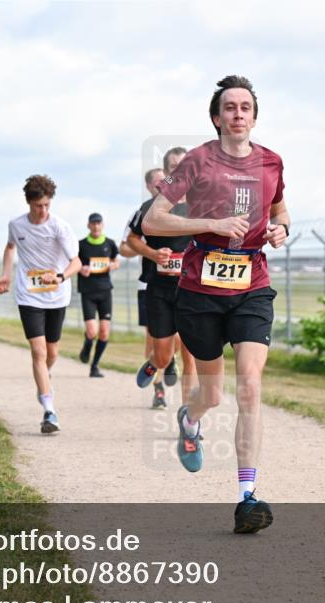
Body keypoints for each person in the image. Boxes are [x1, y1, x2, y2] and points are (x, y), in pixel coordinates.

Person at [142, 75, 290, 534]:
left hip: (252, 283)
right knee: (213, 393)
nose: (238, 114)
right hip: (201, 289)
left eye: (245, 107)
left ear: (254, 116)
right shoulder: (197, 161)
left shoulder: (272, 163)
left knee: (249, 384)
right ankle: (190, 419)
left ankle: (248, 497)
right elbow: (155, 219)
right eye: (230, 108)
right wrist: (212, 221)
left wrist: (281, 229)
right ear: (217, 116)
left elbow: (280, 210)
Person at [0, 175, 81, 434]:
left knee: (52, 353)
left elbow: (76, 262)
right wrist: (7, 275)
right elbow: (10, 248)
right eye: (38, 206)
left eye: (46, 205)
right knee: (39, 353)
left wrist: (59, 276)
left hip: (56, 295)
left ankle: (42, 379)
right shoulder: (16, 225)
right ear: (29, 203)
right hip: (28, 296)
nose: (43, 211)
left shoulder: (59, 227)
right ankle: (49, 410)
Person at [129, 148, 196, 410]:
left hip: (193, 291)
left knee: (191, 357)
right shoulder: (149, 208)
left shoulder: (203, 205)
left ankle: (189, 420)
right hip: (161, 291)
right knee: (165, 354)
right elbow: (132, 240)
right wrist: (153, 253)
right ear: (167, 174)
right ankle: (155, 363)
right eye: (174, 167)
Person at [122, 167, 166, 407]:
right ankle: (158, 389)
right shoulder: (142, 212)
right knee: (153, 340)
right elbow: (125, 247)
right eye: (157, 183)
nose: (162, 185)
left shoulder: (182, 209)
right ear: (149, 186)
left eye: (165, 180)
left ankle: (167, 360)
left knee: (178, 341)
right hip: (149, 283)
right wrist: (147, 249)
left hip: (179, 284)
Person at [76, 213, 120, 378]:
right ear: (88, 225)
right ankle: (87, 345)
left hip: (105, 291)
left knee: (104, 332)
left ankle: (94, 366)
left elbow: (117, 261)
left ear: (103, 225)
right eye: (93, 223)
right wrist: (81, 269)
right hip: (87, 291)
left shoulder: (109, 244)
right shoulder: (81, 245)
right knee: (92, 331)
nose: (96, 226)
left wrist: (113, 265)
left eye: (98, 223)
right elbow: (74, 262)